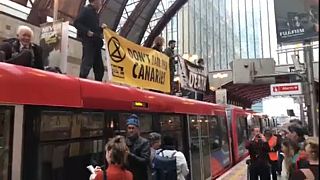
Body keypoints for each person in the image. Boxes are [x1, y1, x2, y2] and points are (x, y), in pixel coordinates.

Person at [73, 0, 107, 81]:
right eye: (99, 1)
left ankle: (98, 85)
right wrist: (87, 31)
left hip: (96, 43)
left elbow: (95, 29)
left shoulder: (96, 14)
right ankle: (81, 81)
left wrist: (101, 28)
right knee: (87, 63)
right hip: (89, 42)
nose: (101, 4)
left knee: (99, 68)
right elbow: (76, 23)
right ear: (94, 1)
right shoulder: (86, 10)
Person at [125, 114, 150, 180]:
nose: (131, 130)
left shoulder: (144, 142)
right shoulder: (124, 141)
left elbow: (145, 161)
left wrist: (130, 155)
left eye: (133, 128)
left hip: (140, 176)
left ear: (137, 129)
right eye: (129, 128)